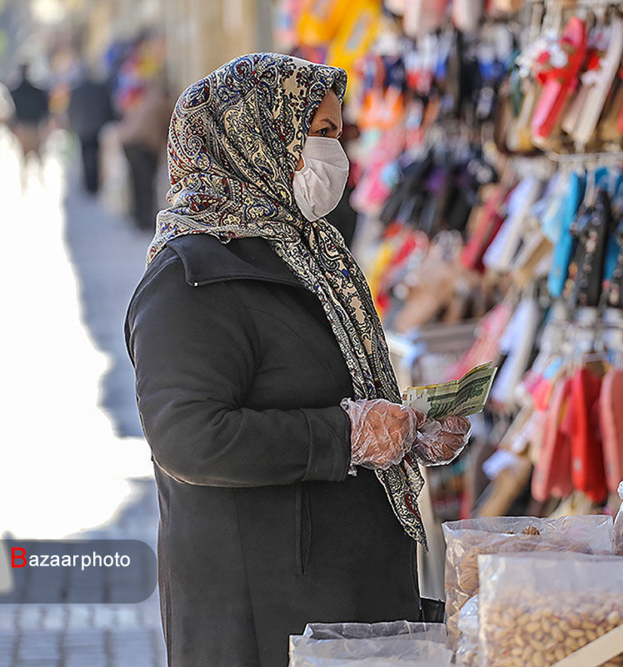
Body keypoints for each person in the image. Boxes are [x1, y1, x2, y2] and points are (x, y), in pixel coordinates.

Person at [124, 53, 471, 667]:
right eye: (322, 133)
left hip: (343, 592)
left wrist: (404, 431)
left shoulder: (312, 252)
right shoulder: (188, 278)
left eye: (340, 134)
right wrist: (346, 436)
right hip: (262, 613)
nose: (336, 153)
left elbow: (330, 385)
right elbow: (188, 438)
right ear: (256, 135)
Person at [118, 80, 172, 230]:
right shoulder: (165, 104)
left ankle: (137, 216)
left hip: (130, 141)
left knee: (136, 182)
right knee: (146, 184)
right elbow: (172, 129)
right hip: (144, 145)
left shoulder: (148, 100)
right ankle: (146, 221)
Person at [67, 72, 115, 194]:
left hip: (82, 127)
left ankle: (89, 185)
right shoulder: (98, 89)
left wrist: (73, 125)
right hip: (96, 126)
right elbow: (106, 106)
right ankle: (95, 184)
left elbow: (72, 109)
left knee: (86, 156)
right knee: (96, 156)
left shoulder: (76, 91)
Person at [8, 64, 49, 186]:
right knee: (38, 159)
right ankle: (40, 183)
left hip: (24, 128)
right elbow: (45, 109)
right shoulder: (37, 91)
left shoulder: (16, 92)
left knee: (26, 160)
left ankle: (26, 185)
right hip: (34, 128)